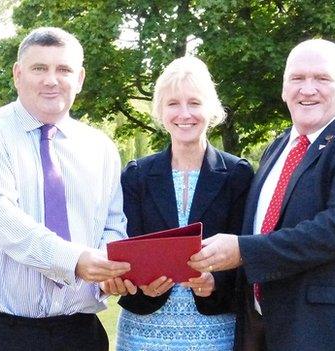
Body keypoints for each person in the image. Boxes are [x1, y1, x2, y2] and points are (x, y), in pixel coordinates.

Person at [188, 39, 335, 350]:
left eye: (321, 78)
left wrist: (243, 250)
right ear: (284, 87)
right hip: (268, 330)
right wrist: (216, 279)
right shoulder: (278, 148)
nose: (308, 89)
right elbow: (262, 229)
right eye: (297, 78)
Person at [0, 27, 132, 351]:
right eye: (40, 68)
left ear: (79, 78)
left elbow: (113, 223)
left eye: (63, 69)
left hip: (81, 335)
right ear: (18, 74)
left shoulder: (101, 147)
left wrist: (109, 266)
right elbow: (5, 223)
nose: (52, 80)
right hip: (2, 335)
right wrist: (76, 260)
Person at [109, 56, 254, 351]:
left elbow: (247, 252)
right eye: (173, 103)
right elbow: (125, 245)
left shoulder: (237, 174)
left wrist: (214, 282)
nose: (184, 113)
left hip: (215, 332)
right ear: (161, 112)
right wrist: (139, 284)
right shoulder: (137, 175)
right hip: (143, 331)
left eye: (195, 103)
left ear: (211, 109)